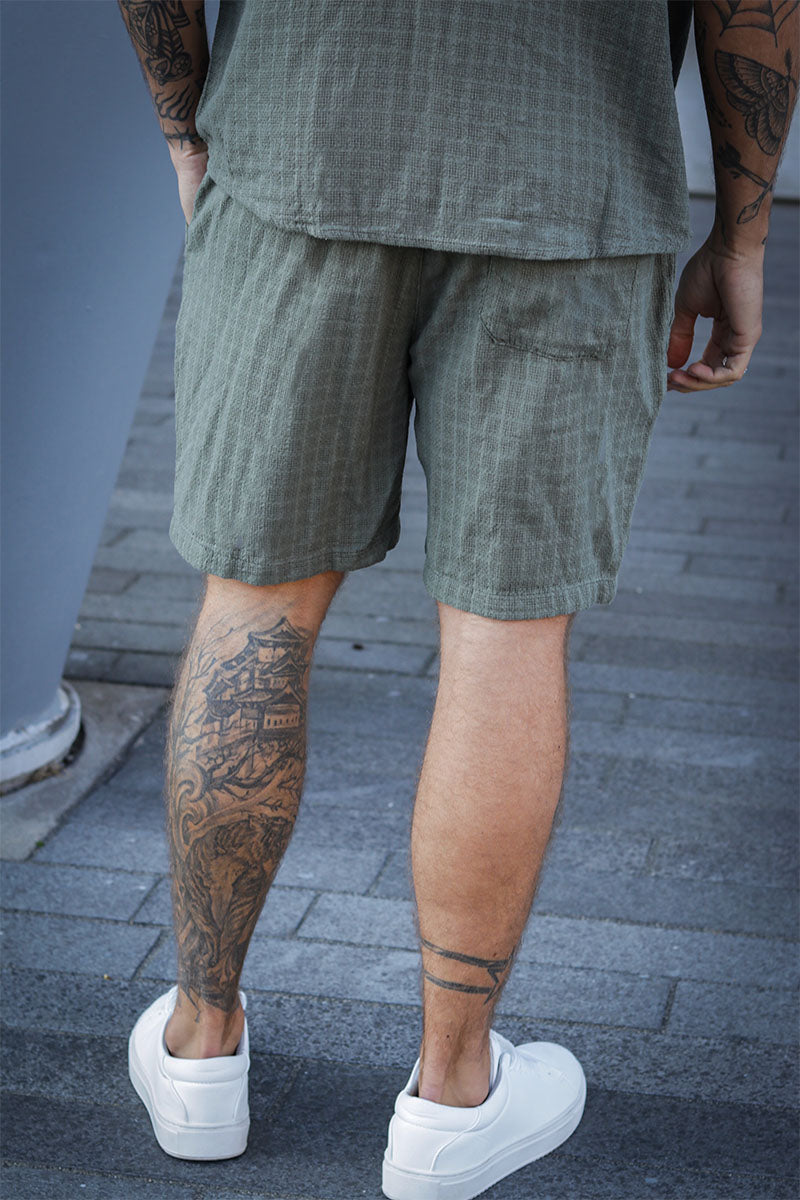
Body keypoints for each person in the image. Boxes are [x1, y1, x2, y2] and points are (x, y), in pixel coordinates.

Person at [118, 2, 797, 1196]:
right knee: (505, 634)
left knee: (256, 604)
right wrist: (740, 234)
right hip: (572, 182)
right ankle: (450, 1096)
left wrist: (185, 127)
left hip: (299, 148)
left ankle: (199, 1045)